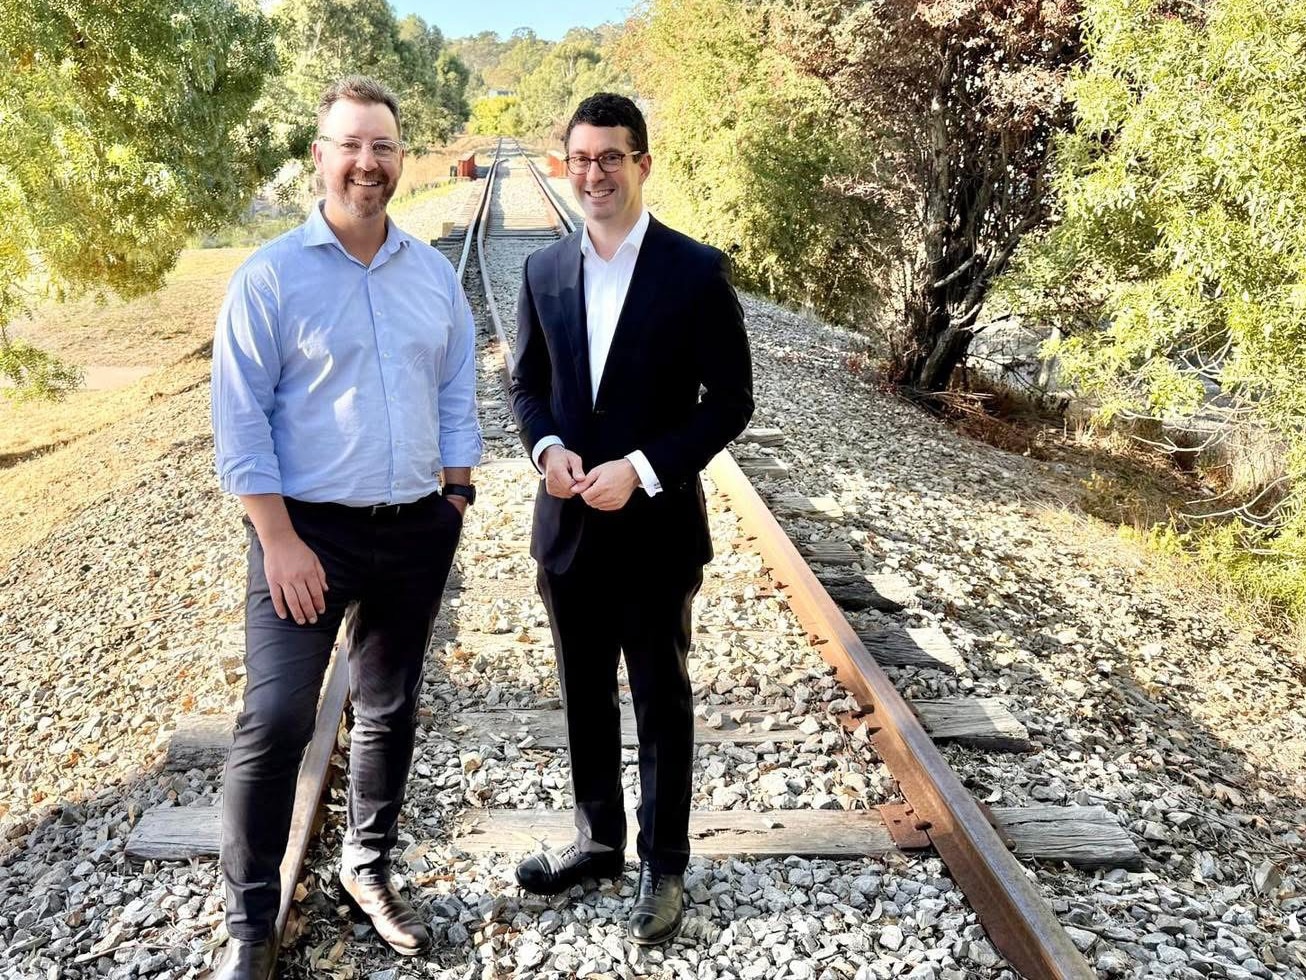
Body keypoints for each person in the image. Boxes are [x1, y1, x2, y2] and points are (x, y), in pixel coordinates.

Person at [209, 75, 481, 980]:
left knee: (389, 705)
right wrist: (278, 539)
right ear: (319, 157)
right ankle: (252, 919)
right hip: (305, 535)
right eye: (352, 144)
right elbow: (240, 421)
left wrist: (455, 498)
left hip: (412, 530)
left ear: (402, 160)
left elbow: (454, 389)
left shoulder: (432, 274)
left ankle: (368, 869)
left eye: (384, 146)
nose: (368, 161)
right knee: (277, 718)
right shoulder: (270, 276)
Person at [508, 92, 753, 945]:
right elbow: (526, 387)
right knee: (582, 692)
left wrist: (644, 470)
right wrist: (547, 451)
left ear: (642, 163)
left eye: (611, 157)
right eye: (580, 159)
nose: (595, 173)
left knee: (659, 695)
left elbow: (731, 402)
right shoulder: (542, 273)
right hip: (568, 527)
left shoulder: (694, 271)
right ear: (565, 166)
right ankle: (598, 840)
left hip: (655, 530)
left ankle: (665, 863)